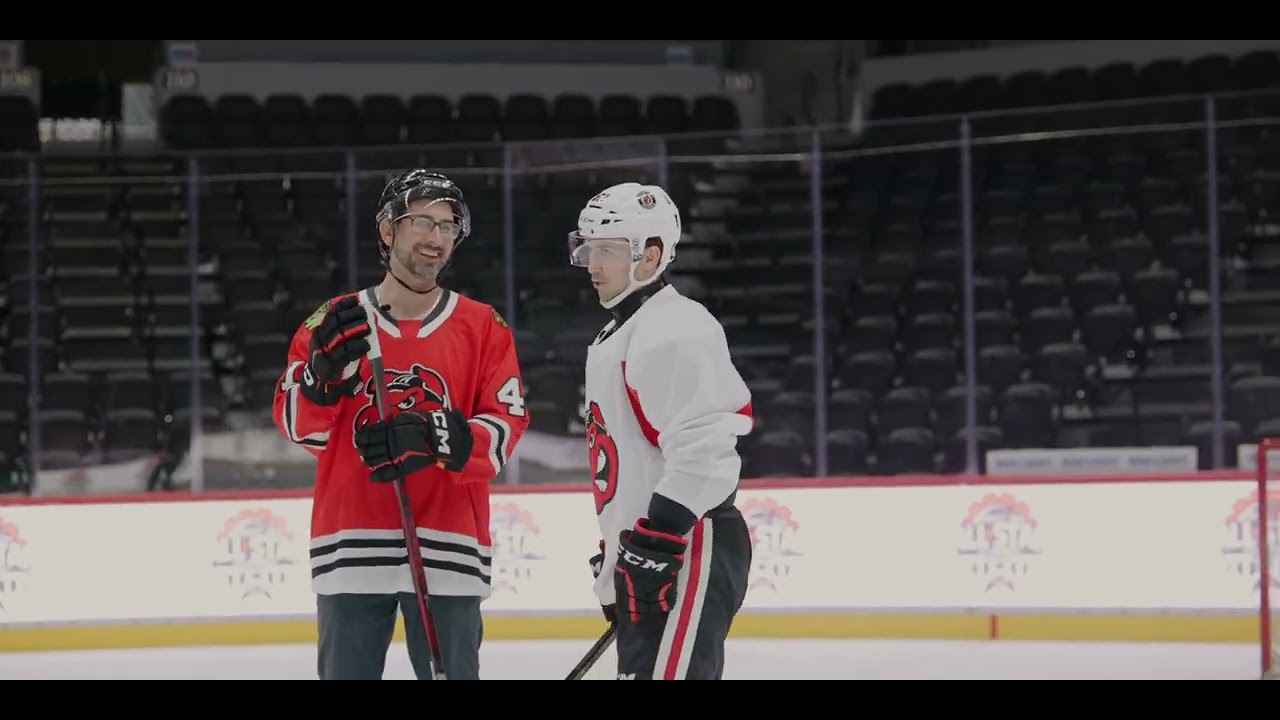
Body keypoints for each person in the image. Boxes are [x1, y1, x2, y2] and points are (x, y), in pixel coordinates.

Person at [271, 169, 530, 681]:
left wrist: (436, 436)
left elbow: (505, 429)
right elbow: (301, 429)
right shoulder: (334, 322)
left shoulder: (483, 327)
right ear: (388, 229)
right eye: (422, 222)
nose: (437, 237)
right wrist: (321, 379)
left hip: (448, 545)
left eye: (448, 226)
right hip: (350, 541)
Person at [569, 182, 755, 680]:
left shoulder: (673, 327)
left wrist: (657, 540)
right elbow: (629, 462)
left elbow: (706, 450)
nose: (593, 264)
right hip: (653, 555)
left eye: (608, 251)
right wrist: (619, 554)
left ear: (650, 256)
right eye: (588, 249)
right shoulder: (619, 333)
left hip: (688, 544)